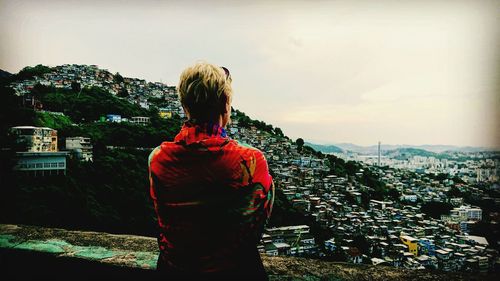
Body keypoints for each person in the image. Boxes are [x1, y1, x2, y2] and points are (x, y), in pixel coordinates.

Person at [148, 62, 274, 280]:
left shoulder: (158, 159)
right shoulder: (251, 160)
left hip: (175, 270)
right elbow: (257, 224)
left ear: (185, 106)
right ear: (225, 103)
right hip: (233, 271)